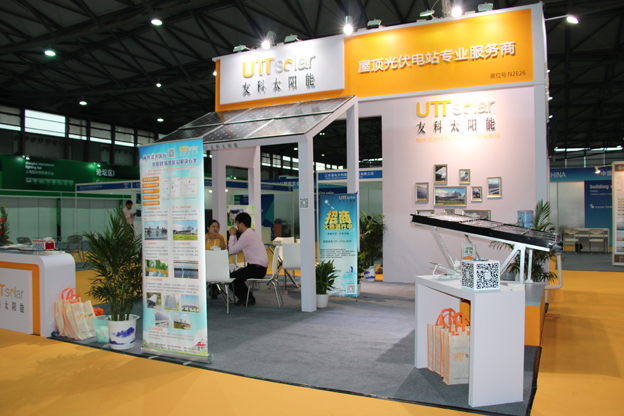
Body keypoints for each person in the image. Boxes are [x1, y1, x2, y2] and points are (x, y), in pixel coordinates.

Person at [228, 212, 268, 306]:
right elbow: (236, 249)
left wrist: (232, 235)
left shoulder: (246, 236)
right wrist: (234, 236)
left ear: (241, 224)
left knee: (231, 277)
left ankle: (246, 298)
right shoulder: (249, 234)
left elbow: (232, 250)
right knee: (236, 276)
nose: (237, 227)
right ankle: (248, 298)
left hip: (256, 269)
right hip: (259, 268)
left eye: (237, 224)